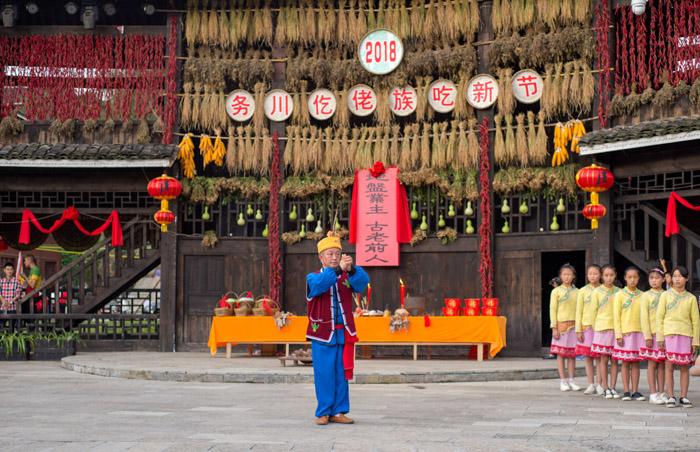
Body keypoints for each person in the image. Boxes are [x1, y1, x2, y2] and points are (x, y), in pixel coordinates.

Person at [306, 232, 369, 425]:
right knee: (324, 373)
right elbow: (320, 285)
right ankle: (323, 412)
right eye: (330, 254)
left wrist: (351, 270)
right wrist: (337, 272)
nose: (334, 257)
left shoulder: (345, 277)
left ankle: (339, 411)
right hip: (322, 334)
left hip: (343, 333)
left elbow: (362, 283)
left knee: (341, 374)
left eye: (337, 254)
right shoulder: (313, 277)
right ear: (321, 257)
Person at [657, 266, 699, 408]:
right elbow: (659, 318)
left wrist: (696, 340)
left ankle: (683, 396)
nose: (677, 278)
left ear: (686, 278)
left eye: (680, 276)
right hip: (669, 335)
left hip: (686, 336)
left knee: (684, 368)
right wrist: (660, 337)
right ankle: (670, 396)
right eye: (675, 276)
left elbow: (696, 321)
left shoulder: (691, 298)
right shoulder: (665, 295)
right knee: (669, 366)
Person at [612, 267, 645, 401]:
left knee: (636, 363)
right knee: (625, 363)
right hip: (625, 334)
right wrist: (618, 335)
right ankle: (626, 390)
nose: (632, 280)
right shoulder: (619, 295)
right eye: (629, 277)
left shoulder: (643, 295)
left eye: (635, 277)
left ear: (638, 278)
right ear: (625, 278)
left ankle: (635, 391)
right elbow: (616, 316)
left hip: (638, 333)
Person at [590, 265, 621, 399]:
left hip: (616, 329)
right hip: (602, 329)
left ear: (615, 276)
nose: (609, 278)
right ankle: (605, 387)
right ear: (602, 276)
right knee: (603, 359)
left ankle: (613, 387)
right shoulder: (596, 292)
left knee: (614, 360)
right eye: (606, 275)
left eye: (611, 275)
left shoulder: (619, 292)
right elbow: (593, 313)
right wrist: (595, 328)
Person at [549, 264, 580, 392]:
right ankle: (563, 381)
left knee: (572, 355)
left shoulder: (578, 292)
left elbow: (580, 310)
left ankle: (572, 380)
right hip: (560, 326)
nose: (567, 277)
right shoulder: (556, 291)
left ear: (573, 276)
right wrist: (554, 327)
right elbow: (553, 309)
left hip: (574, 326)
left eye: (569, 274)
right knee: (561, 354)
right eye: (564, 274)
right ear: (560, 276)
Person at [640, 267, 668, 405]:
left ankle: (662, 392)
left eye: (657, 278)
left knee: (662, 364)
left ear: (663, 279)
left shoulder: (667, 294)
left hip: (663, 335)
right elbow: (644, 318)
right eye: (651, 278)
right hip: (651, 334)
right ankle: (653, 393)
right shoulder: (645, 296)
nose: (654, 280)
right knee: (652, 364)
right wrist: (647, 336)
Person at [575, 264, 602, 395]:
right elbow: (578, 311)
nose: (592, 276)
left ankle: (601, 383)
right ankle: (591, 384)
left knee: (600, 358)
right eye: (590, 273)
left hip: (600, 328)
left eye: (595, 273)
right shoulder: (583, 291)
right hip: (586, 328)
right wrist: (578, 330)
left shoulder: (604, 290)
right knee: (588, 357)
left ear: (600, 275)